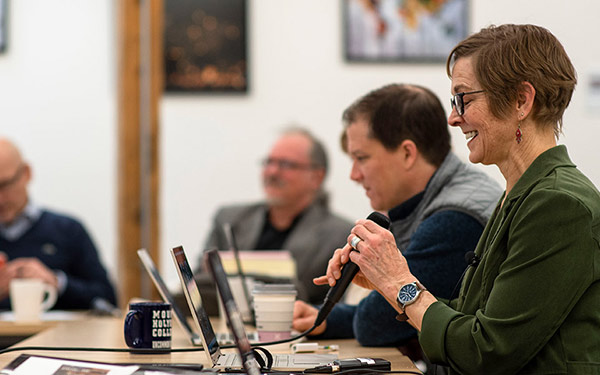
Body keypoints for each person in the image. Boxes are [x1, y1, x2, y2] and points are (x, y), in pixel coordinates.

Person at [321, 24, 600, 374]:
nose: (453, 117)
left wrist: (399, 283)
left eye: (463, 98)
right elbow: (471, 317)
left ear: (521, 100)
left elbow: (487, 350)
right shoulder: (521, 194)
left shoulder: (560, 204)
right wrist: (387, 281)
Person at [292, 84, 503, 352]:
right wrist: (330, 319)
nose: (354, 175)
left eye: (361, 158)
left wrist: (376, 283)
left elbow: (377, 324)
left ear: (407, 153)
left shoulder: (455, 218)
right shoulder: (443, 196)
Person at [202, 127, 353, 305]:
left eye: (286, 165)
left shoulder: (341, 235)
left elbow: (340, 306)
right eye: (269, 162)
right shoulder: (228, 219)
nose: (272, 172)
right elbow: (200, 285)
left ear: (317, 177)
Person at [0, 138, 117, 310]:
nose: (1, 199)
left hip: (62, 336)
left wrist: (56, 282)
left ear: (26, 173)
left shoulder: (68, 230)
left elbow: (108, 298)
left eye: (5, 185)